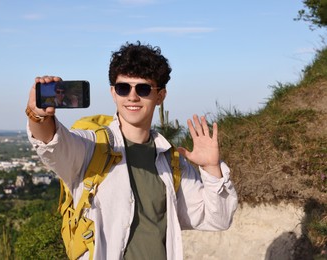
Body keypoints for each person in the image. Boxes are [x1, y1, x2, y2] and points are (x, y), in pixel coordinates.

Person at [25, 41, 238, 260]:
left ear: (160, 96)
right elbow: (52, 142)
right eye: (123, 87)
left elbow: (217, 219)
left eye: (143, 88)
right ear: (113, 93)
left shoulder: (171, 160)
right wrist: (38, 115)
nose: (132, 96)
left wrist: (212, 168)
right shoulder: (92, 148)